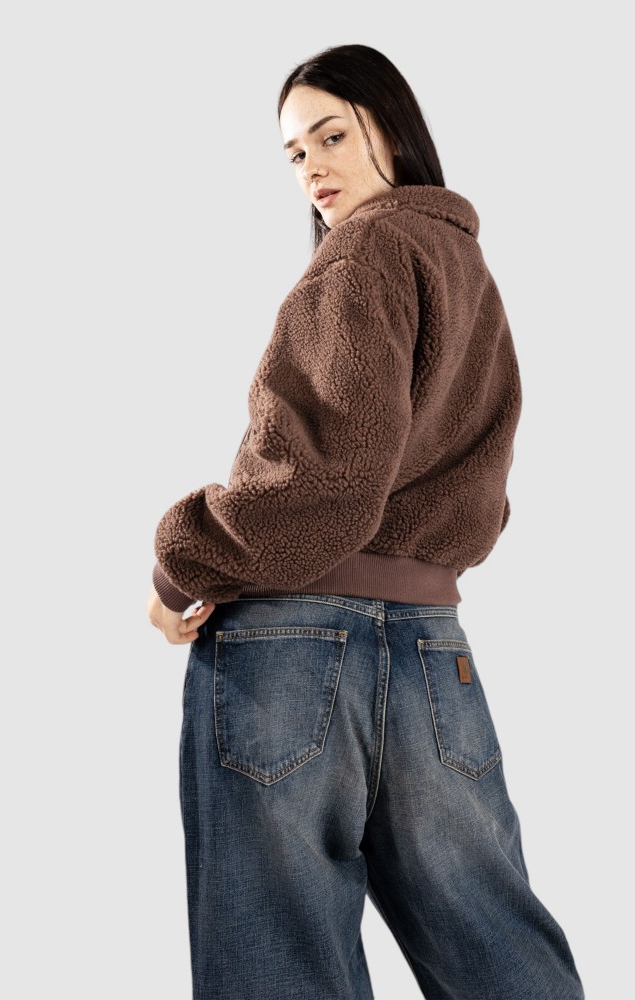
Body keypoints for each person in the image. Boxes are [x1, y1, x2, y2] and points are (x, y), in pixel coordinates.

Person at [147, 43, 585, 1000]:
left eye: (332, 136)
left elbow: (325, 489)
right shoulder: (466, 269)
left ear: (390, 126)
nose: (313, 168)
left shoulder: (359, 256)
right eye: (295, 153)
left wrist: (180, 564)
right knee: (498, 949)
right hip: (431, 644)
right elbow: (484, 493)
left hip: (291, 644)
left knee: (279, 958)